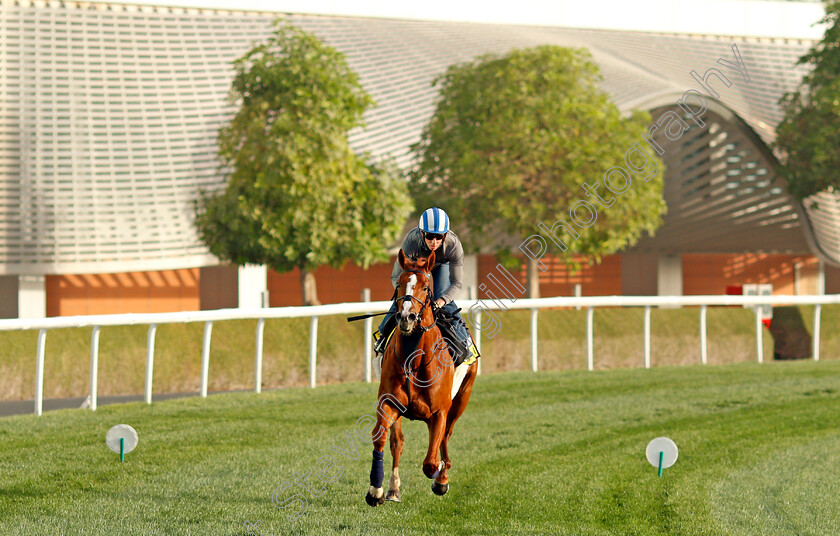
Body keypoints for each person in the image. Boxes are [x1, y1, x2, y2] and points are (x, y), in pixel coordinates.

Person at [373, 207, 478, 370]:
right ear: (422, 233)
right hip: (416, 268)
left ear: (446, 235)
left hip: (441, 265)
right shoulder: (411, 241)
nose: (434, 241)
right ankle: (382, 336)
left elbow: (456, 283)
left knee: (444, 300)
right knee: (404, 302)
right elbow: (396, 277)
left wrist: (441, 301)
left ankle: (465, 342)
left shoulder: (453, 244)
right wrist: (408, 296)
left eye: (439, 237)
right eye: (430, 236)